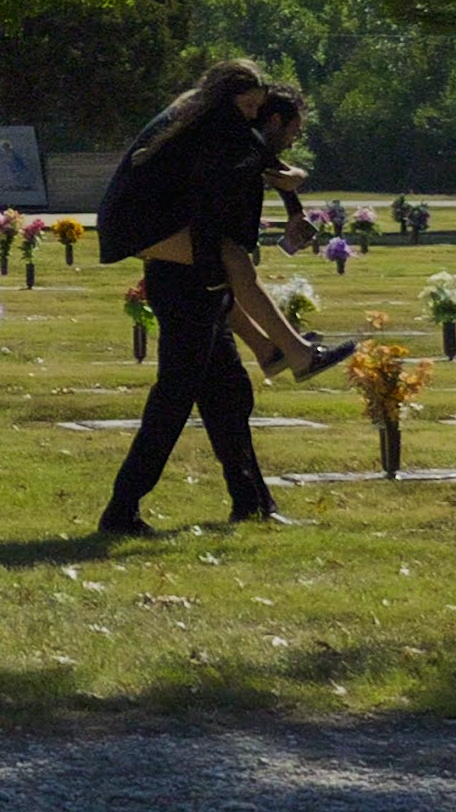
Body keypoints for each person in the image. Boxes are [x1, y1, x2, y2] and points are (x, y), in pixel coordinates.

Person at [92, 60, 349, 539]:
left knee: (229, 395)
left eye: (254, 108)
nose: (250, 115)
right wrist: (286, 174)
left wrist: (285, 185)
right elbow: (245, 167)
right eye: (248, 106)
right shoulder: (214, 129)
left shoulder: (214, 129)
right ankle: (121, 510)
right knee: (174, 398)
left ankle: (253, 503)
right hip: (173, 274)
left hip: (192, 277)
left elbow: (247, 169)